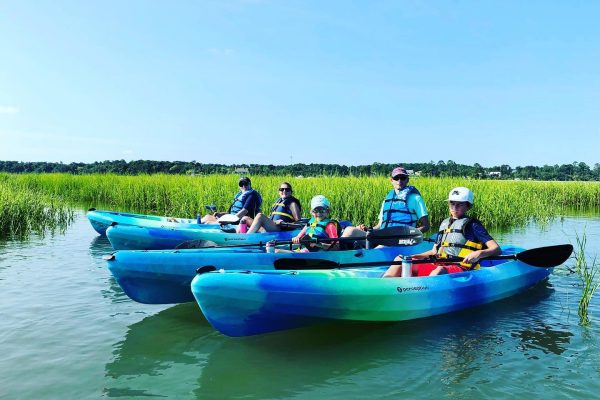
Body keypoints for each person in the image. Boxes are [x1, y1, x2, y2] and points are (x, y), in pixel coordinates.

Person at [383, 187, 501, 277]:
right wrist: (415, 256)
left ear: (468, 206)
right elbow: (434, 251)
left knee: (439, 271)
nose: (454, 207)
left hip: (460, 268)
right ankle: (384, 288)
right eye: (452, 203)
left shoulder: (473, 225)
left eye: (459, 204)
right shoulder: (444, 223)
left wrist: (479, 253)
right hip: (439, 264)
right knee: (400, 259)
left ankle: (422, 295)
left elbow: (496, 249)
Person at [341, 166, 430, 244]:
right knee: (349, 230)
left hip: (400, 240)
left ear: (407, 180)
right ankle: (336, 250)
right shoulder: (387, 200)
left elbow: (426, 226)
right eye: (396, 178)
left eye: (403, 178)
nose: (399, 181)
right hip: (383, 237)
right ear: (392, 180)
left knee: (381, 247)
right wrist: (368, 229)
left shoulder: (415, 198)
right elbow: (380, 226)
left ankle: (373, 252)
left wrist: (408, 235)